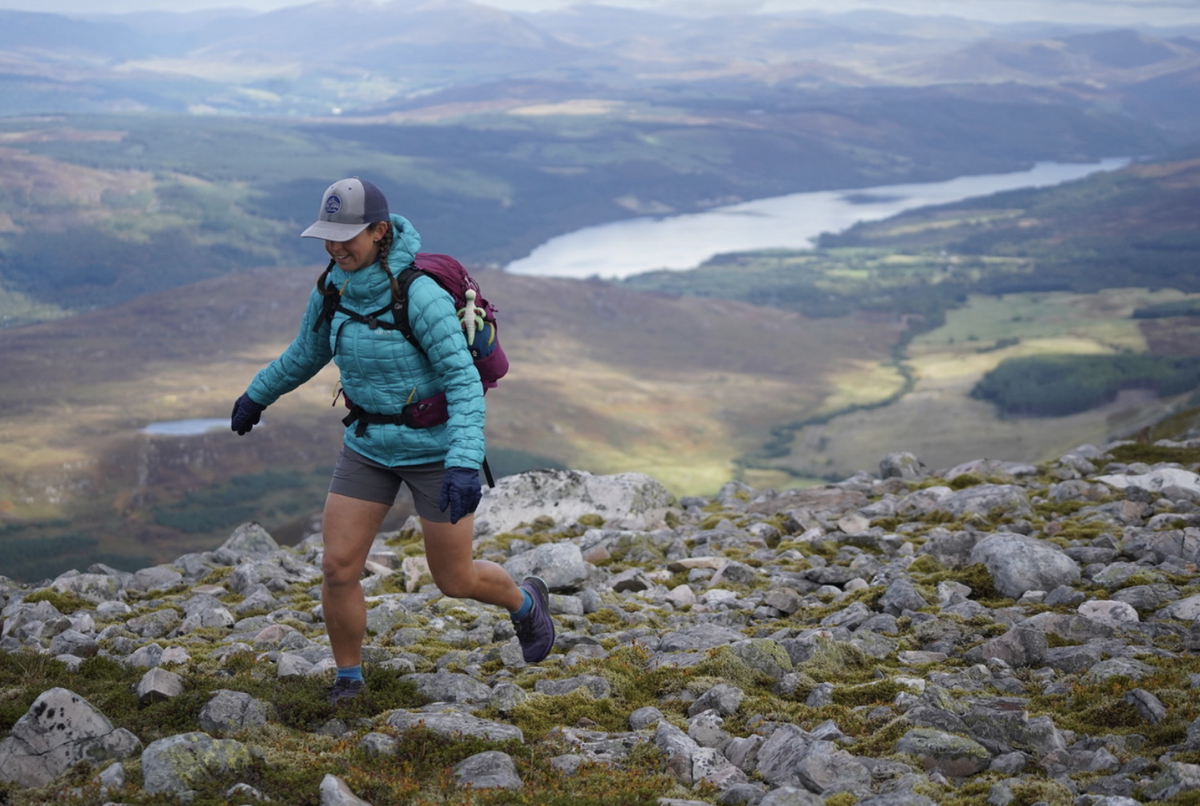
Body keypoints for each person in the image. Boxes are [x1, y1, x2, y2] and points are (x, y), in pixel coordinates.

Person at [230, 177, 555, 703]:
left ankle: (526, 603)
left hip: (434, 452)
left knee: (454, 578)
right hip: (368, 445)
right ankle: (349, 679)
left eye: (347, 236)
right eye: (328, 238)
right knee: (337, 567)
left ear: (380, 231)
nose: (336, 248)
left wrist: (463, 463)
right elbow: (306, 353)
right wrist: (256, 395)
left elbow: (462, 380)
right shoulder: (332, 287)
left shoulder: (420, 295)